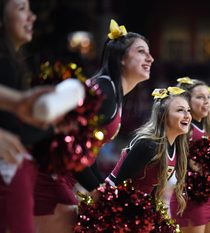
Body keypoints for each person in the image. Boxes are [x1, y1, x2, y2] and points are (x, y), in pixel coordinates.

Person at [33, 19, 154, 233]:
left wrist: (106, 190)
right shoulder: (103, 91)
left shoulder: (112, 92)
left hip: (60, 179)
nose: (150, 58)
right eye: (142, 52)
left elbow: (87, 155)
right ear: (122, 58)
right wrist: (97, 191)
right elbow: (69, 145)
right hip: (49, 179)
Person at [106, 87, 191, 219]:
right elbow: (120, 185)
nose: (187, 115)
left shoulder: (174, 147)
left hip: (139, 207)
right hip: (115, 205)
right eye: (180, 110)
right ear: (163, 116)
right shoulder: (149, 144)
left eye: (188, 110)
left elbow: (152, 189)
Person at [0, 0, 47, 232]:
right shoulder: (4, 61)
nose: (32, 17)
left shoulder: (14, 62)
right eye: (21, 9)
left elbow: (14, 124)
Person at [170, 77, 210, 233]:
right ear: (187, 101)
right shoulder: (186, 127)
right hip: (189, 199)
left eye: (208, 97)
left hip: (206, 198)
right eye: (199, 97)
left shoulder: (204, 126)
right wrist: (189, 161)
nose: (206, 102)